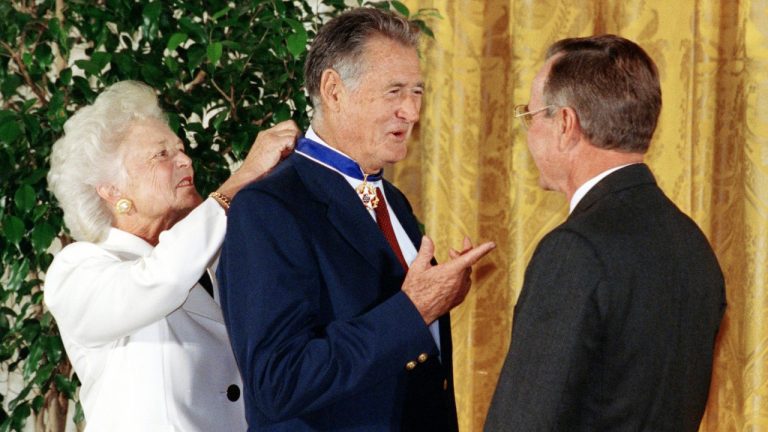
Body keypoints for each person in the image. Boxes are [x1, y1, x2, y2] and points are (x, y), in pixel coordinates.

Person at [217, 7, 495, 431]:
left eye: (417, 92)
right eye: (394, 91)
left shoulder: (394, 201)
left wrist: (438, 295)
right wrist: (414, 309)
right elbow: (278, 382)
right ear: (333, 90)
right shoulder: (268, 207)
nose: (411, 112)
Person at [484, 35, 726, 431]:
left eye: (531, 116)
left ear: (565, 124)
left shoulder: (573, 251)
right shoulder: (691, 243)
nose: (528, 133)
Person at [44, 80, 299, 431]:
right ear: (111, 189)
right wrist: (242, 179)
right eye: (162, 154)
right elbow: (160, 279)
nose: (185, 160)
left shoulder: (209, 255)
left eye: (180, 149)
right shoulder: (76, 270)